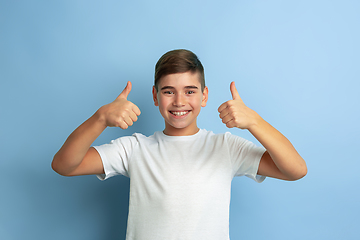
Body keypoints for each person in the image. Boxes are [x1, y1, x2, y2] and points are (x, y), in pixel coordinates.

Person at [52, 49, 307, 240]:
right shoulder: (134, 149)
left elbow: (296, 169)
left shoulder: (226, 148)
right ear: (155, 96)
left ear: (204, 96)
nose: (179, 101)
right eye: (168, 91)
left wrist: (255, 122)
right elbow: (64, 165)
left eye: (190, 91)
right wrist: (100, 118)